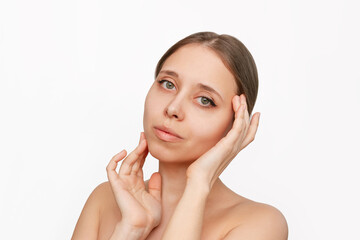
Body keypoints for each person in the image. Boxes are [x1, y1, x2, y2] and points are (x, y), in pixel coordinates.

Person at [71, 32, 288, 240]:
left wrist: (198, 183)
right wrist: (129, 230)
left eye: (205, 100)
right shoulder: (104, 200)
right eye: (168, 84)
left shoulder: (261, 224)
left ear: (235, 125)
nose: (173, 108)